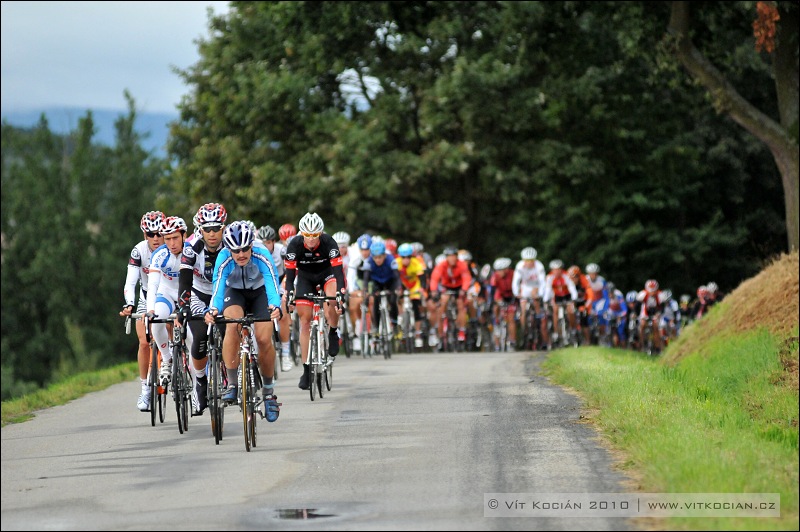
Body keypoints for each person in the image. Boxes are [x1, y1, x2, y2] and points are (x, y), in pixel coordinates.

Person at [204, 221, 283, 422]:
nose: (241, 254)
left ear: (251, 245)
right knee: (232, 325)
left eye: (245, 249)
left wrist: (275, 306)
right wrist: (213, 309)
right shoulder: (223, 257)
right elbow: (218, 288)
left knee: (264, 339)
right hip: (235, 292)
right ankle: (232, 384)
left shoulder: (261, 252)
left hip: (259, 293)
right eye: (235, 250)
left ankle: (268, 392)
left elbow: (272, 282)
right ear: (228, 249)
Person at [284, 213, 346, 390]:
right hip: (305, 278)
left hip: (327, 275)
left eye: (315, 235)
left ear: (320, 233)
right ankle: (306, 368)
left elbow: (338, 272)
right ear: (302, 234)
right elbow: (289, 278)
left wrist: (341, 292)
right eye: (307, 235)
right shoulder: (294, 245)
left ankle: (333, 332)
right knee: (305, 321)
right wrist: (289, 294)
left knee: (332, 301)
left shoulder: (329, 242)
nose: (311, 239)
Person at [177, 202, 228, 415]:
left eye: (216, 228)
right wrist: (183, 306)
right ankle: (200, 381)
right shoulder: (191, 246)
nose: (212, 233)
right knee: (199, 338)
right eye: (207, 229)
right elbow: (185, 279)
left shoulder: (230, 243)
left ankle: (228, 371)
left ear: (223, 227)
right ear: (200, 229)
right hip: (199, 293)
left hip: (224, 292)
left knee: (229, 332)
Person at [119, 210, 165, 412]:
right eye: (150, 234)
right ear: (144, 234)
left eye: (159, 233)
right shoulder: (139, 251)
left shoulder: (172, 247)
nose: (155, 238)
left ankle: (171, 366)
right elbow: (131, 281)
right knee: (144, 341)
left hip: (167, 295)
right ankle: (145, 388)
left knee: (170, 333)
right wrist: (129, 304)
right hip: (146, 297)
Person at [144, 216, 190, 389]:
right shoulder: (159, 255)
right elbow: (153, 284)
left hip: (188, 295)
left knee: (192, 338)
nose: (171, 243)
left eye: (175, 238)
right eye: (167, 239)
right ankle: (167, 358)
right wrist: (150, 310)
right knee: (156, 322)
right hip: (167, 293)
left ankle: (197, 379)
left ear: (184, 236)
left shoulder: (191, 252)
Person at [257, 224, 294, 373]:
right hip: (261, 286)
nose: (265, 245)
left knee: (283, 312)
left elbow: (290, 271)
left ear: (273, 242)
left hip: (279, 283)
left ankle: (285, 354)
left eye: (268, 242)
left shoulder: (282, 252)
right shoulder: (255, 252)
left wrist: (288, 291)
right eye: (263, 242)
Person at [428, 246, 473, 348]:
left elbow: (466, 278)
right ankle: (441, 333)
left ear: (456, 257)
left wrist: (464, 289)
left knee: (460, 304)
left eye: (453, 256)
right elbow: (434, 279)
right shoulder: (442, 265)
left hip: (459, 287)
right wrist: (434, 291)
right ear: (446, 257)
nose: (452, 258)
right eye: (449, 256)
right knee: (442, 303)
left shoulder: (462, 265)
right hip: (446, 287)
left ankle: (461, 330)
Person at [363, 239, 401, 343]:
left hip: (390, 281)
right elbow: (366, 279)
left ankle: (395, 323)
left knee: (393, 301)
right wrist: (365, 292)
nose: (378, 260)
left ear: (384, 255)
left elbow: (397, 277)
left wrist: (398, 289)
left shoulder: (391, 259)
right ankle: (376, 327)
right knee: (376, 302)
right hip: (377, 283)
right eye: (375, 257)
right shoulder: (368, 261)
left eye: (380, 257)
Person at [512, 247, 547, 350]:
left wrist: (540, 294)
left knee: (536, 304)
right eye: (527, 261)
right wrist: (516, 293)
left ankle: (538, 324)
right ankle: (524, 330)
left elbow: (543, 282)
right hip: (525, 287)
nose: (529, 263)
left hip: (535, 286)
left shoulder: (539, 266)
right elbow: (516, 281)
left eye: (531, 260)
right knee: (523, 308)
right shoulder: (519, 266)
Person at [396, 242, 427, 348]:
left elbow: (422, 277)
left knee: (416, 306)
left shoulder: (416, 263)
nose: (406, 259)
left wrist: (422, 288)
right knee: (397, 298)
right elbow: (394, 277)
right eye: (403, 257)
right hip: (402, 285)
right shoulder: (396, 263)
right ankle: (400, 317)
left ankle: (418, 334)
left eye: (408, 257)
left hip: (414, 286)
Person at [542, 260, 578, 349]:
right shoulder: (549, 277)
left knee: (570, 310)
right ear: (552, 270)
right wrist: (546, 300)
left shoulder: (566, 276)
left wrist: (574, 298)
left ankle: (573, 329)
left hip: (567, 296)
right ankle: (556, 332)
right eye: (554, 270)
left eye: (558, 269)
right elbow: (548, 290)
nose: (556, 272)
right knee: (555, 311)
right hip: (557, 297)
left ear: (561, 270)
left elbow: (572, 288)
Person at [346, 233, 373, 352]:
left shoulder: (375, 257)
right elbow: (350, 277)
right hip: (359, 286)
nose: (365, 252)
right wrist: (352, 291)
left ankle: (373, 330)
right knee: (353, 305)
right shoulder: (355, 259)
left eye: (367, 250)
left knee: (372, 302)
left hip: (371, 286)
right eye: (362, 250)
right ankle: (357, 329)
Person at [488, 257, 517, 350]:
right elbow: (493, 290)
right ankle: (496, 321)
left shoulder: (513, 274)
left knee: (511, 318)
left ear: (506, 269)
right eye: (497, 270)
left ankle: (512, 340)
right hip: (500, 295)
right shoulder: (495, 276)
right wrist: (493, 302)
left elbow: (517, 287)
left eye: (501, 270)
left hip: (512, 296)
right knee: (496, 306)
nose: (499, 272)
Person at [636, 279, 666, 353]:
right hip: (645, 312)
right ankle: (642, 344)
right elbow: (637, 306)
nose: (652, 293)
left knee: (656, 327)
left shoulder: (660, 295)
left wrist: (658, 314)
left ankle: (657, 347)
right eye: (650, 290)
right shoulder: (643, 294)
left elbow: (662, 308)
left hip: (656, 312)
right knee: (642, 325)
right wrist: (636, 314)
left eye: (654, 290)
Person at [567, 265, 594, 345]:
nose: (573, 279)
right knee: (569, 312)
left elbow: (590, 295)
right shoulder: (568, 282)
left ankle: (587, 341)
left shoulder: (584, 280)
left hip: (583, 302)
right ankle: (572, 331)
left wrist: (586, 306)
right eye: (571, 277)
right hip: (572, 301)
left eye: (575, 277)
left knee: (584, 320)